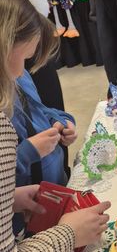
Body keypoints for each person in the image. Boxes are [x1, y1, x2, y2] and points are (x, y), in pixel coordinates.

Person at [0, 0, 111, 251]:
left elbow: (40, 109)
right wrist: (69, 234)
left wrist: (10, 199)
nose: (21, 71)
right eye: (23, 59)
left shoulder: (18, 79)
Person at [12, 70, 78, 235]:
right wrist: (26, 153)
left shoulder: (20, 74)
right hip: (25, 215)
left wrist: (60, 120)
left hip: (55, 183)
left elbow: (39, 111)